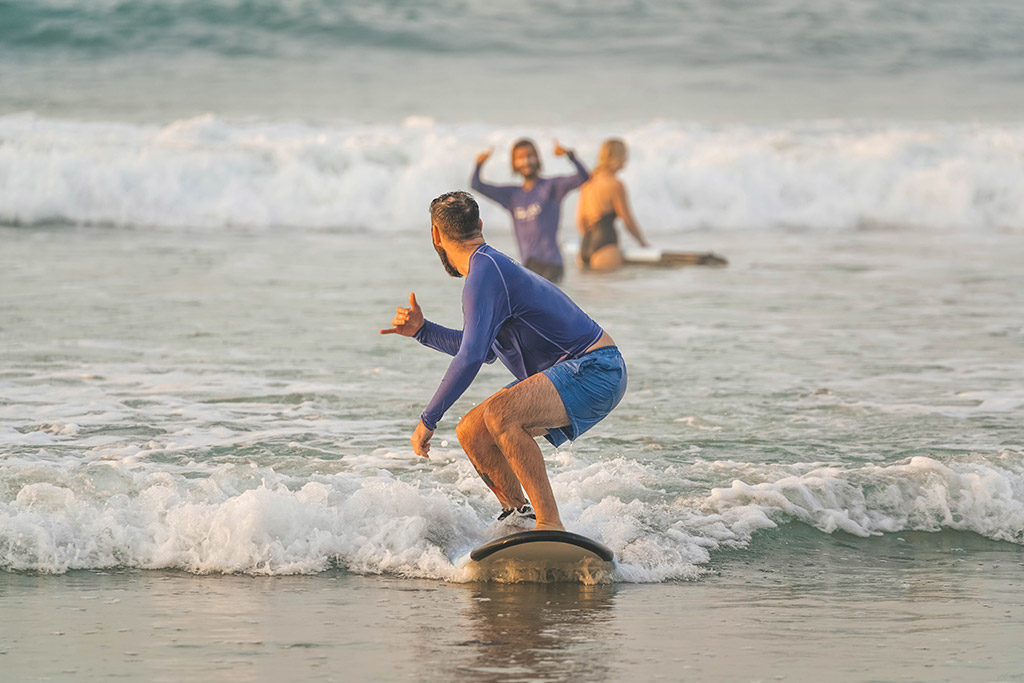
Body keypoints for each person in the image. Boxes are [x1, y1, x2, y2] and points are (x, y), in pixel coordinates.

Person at [380, 191, 627, 531]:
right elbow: (485, 350)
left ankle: (550, 525)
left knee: (501, 415)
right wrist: (423, 331)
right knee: (472, 430)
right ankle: (518, 518)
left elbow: (471, 357)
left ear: (435, 235)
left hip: (596, 368)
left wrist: (428, 419)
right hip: (575, 371)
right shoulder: (489, 270)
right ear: (479, 225)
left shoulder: (485, 273)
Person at [471, 139, 588, 283]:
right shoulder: (512, 195)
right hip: (528, 267)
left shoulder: (551, 187)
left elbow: (584, 177)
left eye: (530, 156)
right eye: (520, 158)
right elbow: (477, 185)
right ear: (514, 163)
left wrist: (570, 156)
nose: (526, 161)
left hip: (551, 264)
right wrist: (479, 164)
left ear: (537, 159)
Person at [576, 138, 651, 271]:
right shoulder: (615, 184)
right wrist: (643, 243)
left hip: (585, 247)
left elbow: (580, 221)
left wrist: (588, 241)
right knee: (613, 289)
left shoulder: (587, 182)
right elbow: (627, 221)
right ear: (618, 157)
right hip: (606, 244)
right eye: (625, 155)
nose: (626, 160)